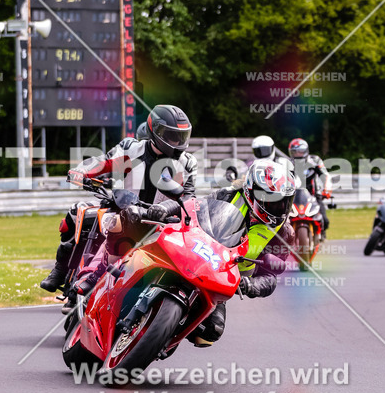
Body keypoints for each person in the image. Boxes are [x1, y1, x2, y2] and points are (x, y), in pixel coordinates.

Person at [40, 104, 197, 292]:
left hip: (159, 221)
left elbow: (189, 198)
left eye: (181, 137)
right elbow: (103, 162)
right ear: (156, 131)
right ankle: (60, 270)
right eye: (172, 136)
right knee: (78, 212)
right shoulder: (131, 149)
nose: (177, 142)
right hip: (119, 209)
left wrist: (165, 209)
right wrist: (82, 171)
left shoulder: (187, 163)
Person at [189, 159, 297, 347]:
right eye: (272, 200)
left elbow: (270, 277)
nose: (279, 207)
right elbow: (193, 210)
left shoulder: (284, 232)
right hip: (195, 253)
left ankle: (166, 335)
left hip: (224, 276)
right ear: (252, 192)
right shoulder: (226, 195)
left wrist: (252, 285)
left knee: (210, 333)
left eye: (283, 202)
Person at [287, 137, 332, 235]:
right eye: (295, 152)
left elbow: (325, 175)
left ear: (306, 151)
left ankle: (320, 236)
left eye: (300, 151)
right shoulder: (287, 163)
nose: (298, 154)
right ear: (291, 153)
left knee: (325, 221)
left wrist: (327, 189)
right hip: (293, 198)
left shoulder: (315, 160)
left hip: (314, 196)